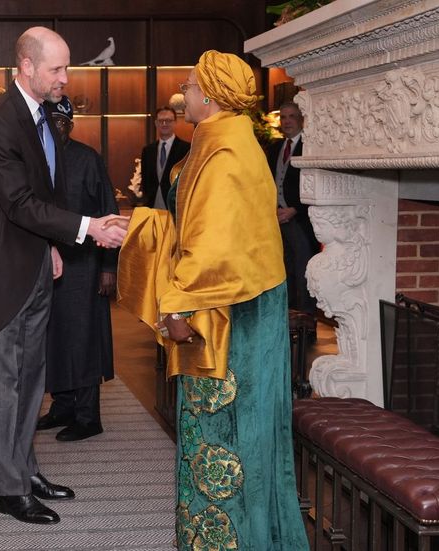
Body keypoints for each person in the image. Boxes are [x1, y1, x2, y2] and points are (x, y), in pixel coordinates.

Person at [109, 51, 308, 549]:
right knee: (228, 439)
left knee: (225, 441)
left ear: (213, 96)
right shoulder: (220, 142)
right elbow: (194, 227)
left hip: (227, 319)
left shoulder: (222, 153)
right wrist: (132, 226)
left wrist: (173, 307)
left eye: (192, 84)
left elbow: (213, 250)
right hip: (232, 305)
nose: (184, 87)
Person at [0, 26, 126, 525]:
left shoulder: (35, 115)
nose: (65, 77)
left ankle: (26, 468)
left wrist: (54, 247)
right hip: (6, 271)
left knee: (33, 379)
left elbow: (43, 197)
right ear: (27, 67)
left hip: (36, 261)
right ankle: (9, 489)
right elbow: (18, 203)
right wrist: (87, 227)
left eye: (66, 66)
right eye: (56, 68)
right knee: (6, 384)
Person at [36, 95, 118, 442]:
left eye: (62, 122)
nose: (57, 128)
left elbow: (109, 213)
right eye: (50, 122)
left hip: (85, 265)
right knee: (53, 338)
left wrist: (108, 268)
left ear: (70, 124)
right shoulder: (39, 158)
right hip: (49, 262)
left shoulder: (88, 159)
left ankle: (88, 416)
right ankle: (62, 406)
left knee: (83, 339)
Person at [266, 102, 320, 316]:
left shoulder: (310, 146)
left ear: (300, 119)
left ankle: (307, 318)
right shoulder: (275, 148)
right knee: (283, 267)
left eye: (291, 117)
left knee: (303, 269)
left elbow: (314, 182)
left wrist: (294, 209)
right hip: (277, 218)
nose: (287, 121)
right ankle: (287, 316)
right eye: (284, 117)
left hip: (301, 219)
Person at [139, 106, 190, 209]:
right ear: (156, 123)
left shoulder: (186, 149)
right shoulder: (147, 150)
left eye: (168, 120)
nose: (164, 124)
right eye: (161, 121)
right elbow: (145, 181)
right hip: (152, 206)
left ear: (175, 122)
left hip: (176, 206)